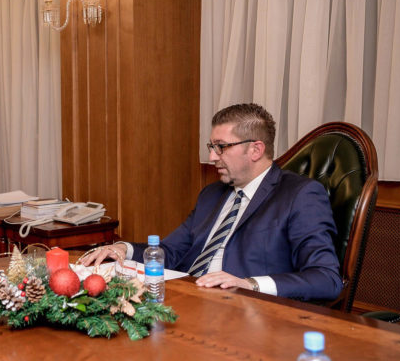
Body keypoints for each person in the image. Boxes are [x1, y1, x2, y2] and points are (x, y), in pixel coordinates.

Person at [82, 103, 342, 300]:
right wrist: (123, 249)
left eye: (221, 147)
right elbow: (172, 252)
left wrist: (249, 284)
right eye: (211, 146)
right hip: (184, 297)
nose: (212, 157)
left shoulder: (300, 195)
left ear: (255, 149)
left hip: (245, 313)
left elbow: (326, 278)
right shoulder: (212, 194)